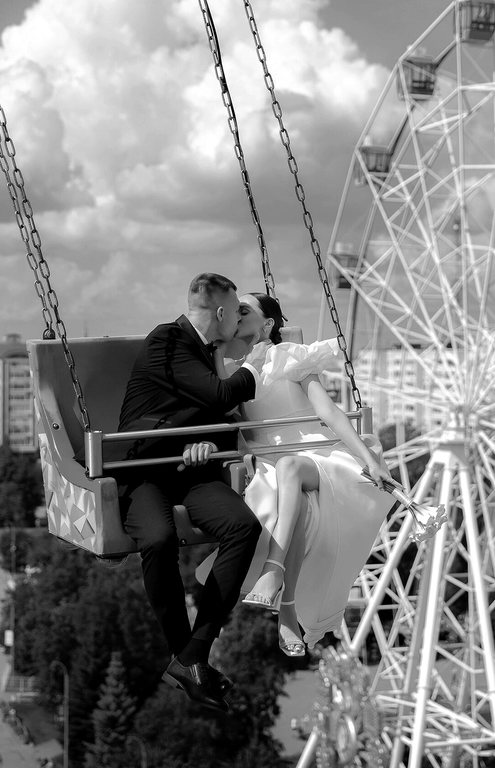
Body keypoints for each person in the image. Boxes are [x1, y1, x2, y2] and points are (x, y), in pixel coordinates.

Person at [114, 272, 262, 712]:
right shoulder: (167, 341)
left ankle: (194, 653)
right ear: (220, 312)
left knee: (243, 526)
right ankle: (187, 657)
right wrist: (260, 363)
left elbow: (216, 419)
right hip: (143, 470)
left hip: (189, 470)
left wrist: (207, 444)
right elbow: (219, 396)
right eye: (236, 312)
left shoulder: (208, 353)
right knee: (158, 538)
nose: (239, 320)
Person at [216, 293, 396, 656]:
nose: (238, 313)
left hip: (317, 453)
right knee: (293, 504)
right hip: (269, 461)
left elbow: (328, 412)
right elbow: (230, 421)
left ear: (268, 323)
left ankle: (273, 570)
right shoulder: (231, 371)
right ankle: (287, 610)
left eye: (245, 310)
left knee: (290, 469)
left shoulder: (291, 356)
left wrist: (370, 460)